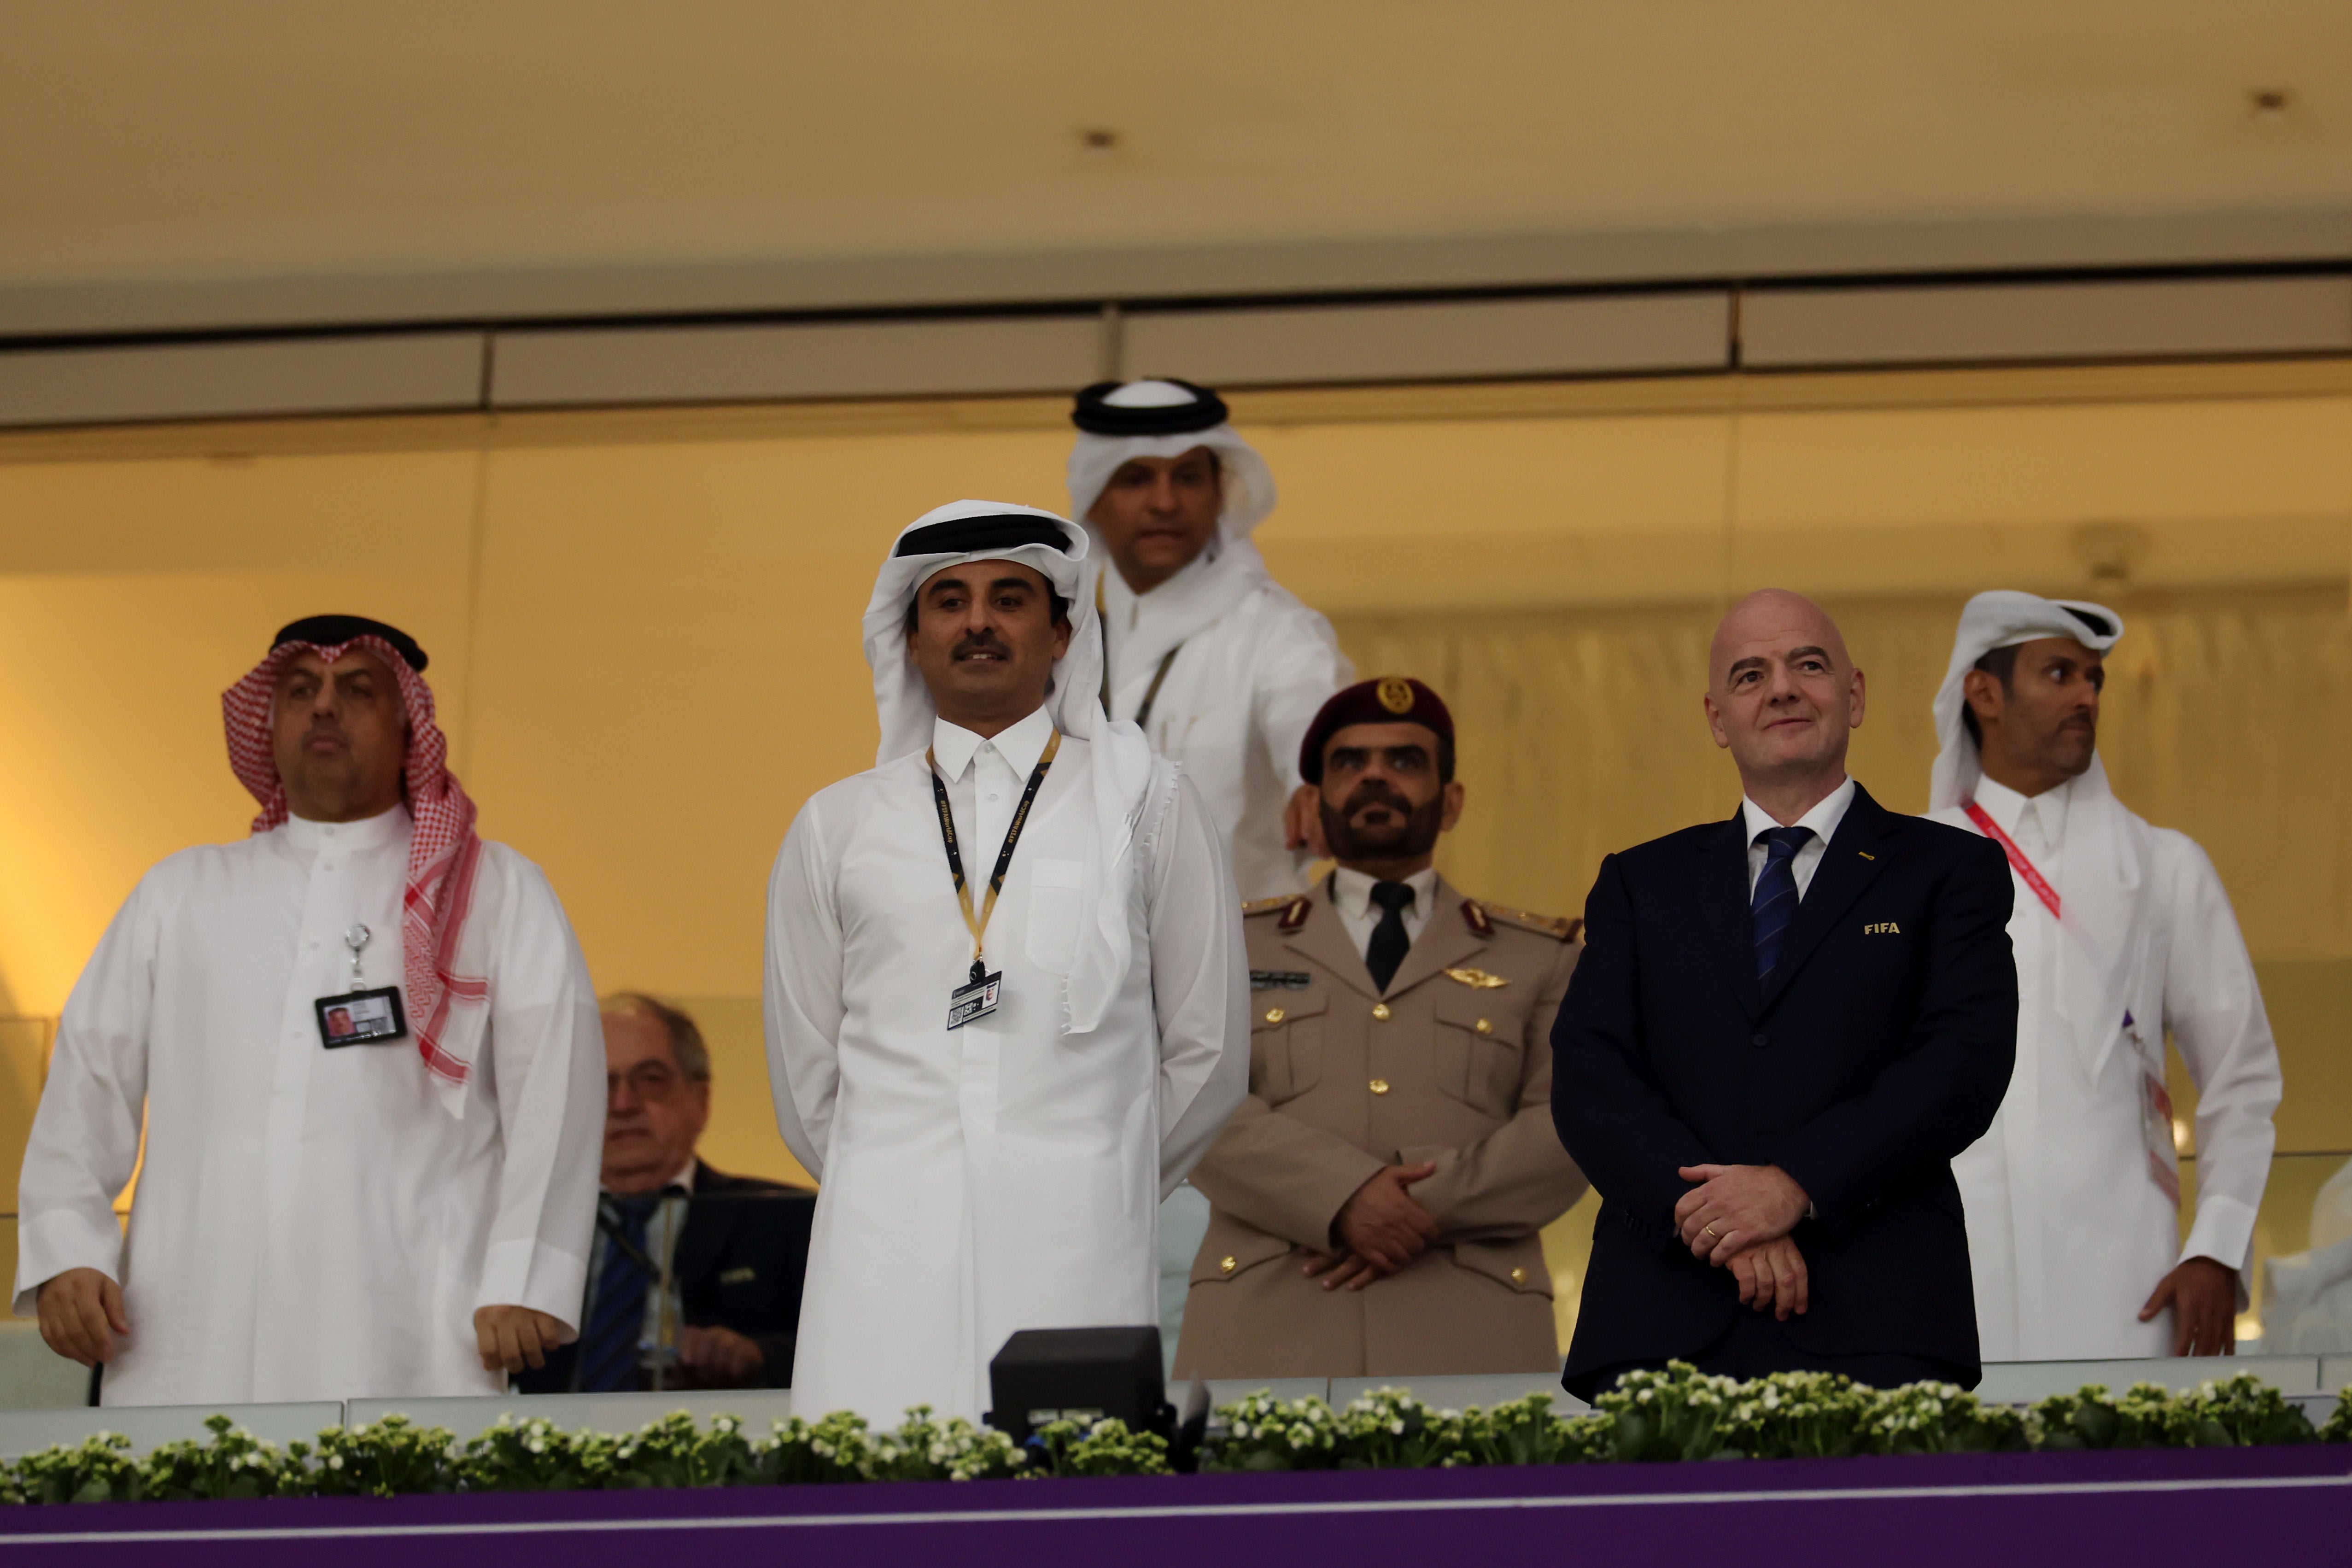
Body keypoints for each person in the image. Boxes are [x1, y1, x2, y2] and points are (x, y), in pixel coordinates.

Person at [16, 615, 604, 1405]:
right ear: (270, 720)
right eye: (301, 691)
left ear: (410, 727)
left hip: (406, 1333)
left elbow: (557, 1093)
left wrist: (528, 1273)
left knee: (399, 1524)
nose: (324, 706)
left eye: (358, 689)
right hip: (187, 1332)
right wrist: (68, 1249)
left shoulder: (497, 889)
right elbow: (87, 1078)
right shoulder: (181, 890)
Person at [763, 501, 1248, 1424]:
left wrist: (1098, 1179)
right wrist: (897, 1177)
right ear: (908, 639)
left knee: (1068, 1511)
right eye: (948, 600)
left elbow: (1210, 1053)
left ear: (1063, 631)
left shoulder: (1149, 801)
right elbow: (805, 1072)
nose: (978, 621)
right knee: (875, 1505)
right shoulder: (838, 823)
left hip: (1081, 1243)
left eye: (1010, 598)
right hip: (881, 1250)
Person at [1551, 590, 2017, 1398]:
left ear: (1856, 694)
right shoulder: (1640, 881)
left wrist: (1794, 1183)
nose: (1783, 688)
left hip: (1879, 1317)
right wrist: (1719, 1221)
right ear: (1716, 716)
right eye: (1750, 673)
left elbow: (1960, 1063)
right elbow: (1591, 1076)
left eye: (1809, 664)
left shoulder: (1949, 871)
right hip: (1663, 1316)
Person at [1174, 677, 1588, 1379]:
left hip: (1468, 1328)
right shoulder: (1231, 944)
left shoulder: (1541, 956)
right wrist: (1339, 1198)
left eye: (1403, 762)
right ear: (1310, 802)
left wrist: (1412, 1206)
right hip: (1267, 1326)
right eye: (1348, 763)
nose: (1373, 777)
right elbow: (1191, 1097)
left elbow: (1573, 1124)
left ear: (1450, 802)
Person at [1928, 591, 2282, 1359]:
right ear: (1983, 691)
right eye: (2059, 673)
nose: (2086, 695)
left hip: (2124, 1281)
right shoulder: (1903, 868)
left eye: (2094, 679)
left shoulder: (2164, 866)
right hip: (1945, 1276)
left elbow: (2241, 1078)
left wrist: (2218, 1245)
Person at [1067, 378, 1352, 902]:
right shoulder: (1059, 636)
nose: (1165, 502)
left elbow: (1307, 718)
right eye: (1135, 479)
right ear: (1094, 497)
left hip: (1243, 961)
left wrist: (1318, 778)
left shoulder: (1275, 631)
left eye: (1189, 478)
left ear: (1220, 492)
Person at [517, 993, 816, 1393]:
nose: (623, 1104)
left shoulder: (786, 1217)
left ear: (701, 1099)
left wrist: (758, 1357)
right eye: (600, 1083)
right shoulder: (523, 1230)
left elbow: (855, 1346)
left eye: (651, 1079)